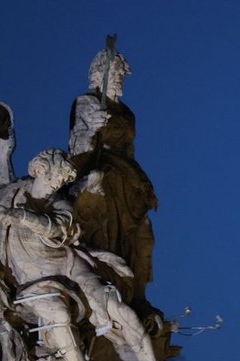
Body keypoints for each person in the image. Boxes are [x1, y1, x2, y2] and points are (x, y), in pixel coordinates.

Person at [0, 148, 186, 361]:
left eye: (60, 183)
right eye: (53, 180)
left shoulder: (60, 204)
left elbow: (56, 227)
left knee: (115, 305)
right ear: (38, 171)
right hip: (32, 281)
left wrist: (20, 216)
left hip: (69, 267)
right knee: (58, 314)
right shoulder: (9, 193)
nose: (56, 186)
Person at [68, 47, 158, 326]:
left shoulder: (128, 113)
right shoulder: (85, 102)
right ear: (99, 74)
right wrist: (93, 130)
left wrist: (140, 182)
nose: (120, 78)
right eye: (116, 73)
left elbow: (129, 150)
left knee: (141, 235)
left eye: (122, 74)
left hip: (126, 178)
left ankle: (137, 294)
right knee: (105, 227)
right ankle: (106, 282)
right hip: (100, 171)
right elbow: (77, 146)